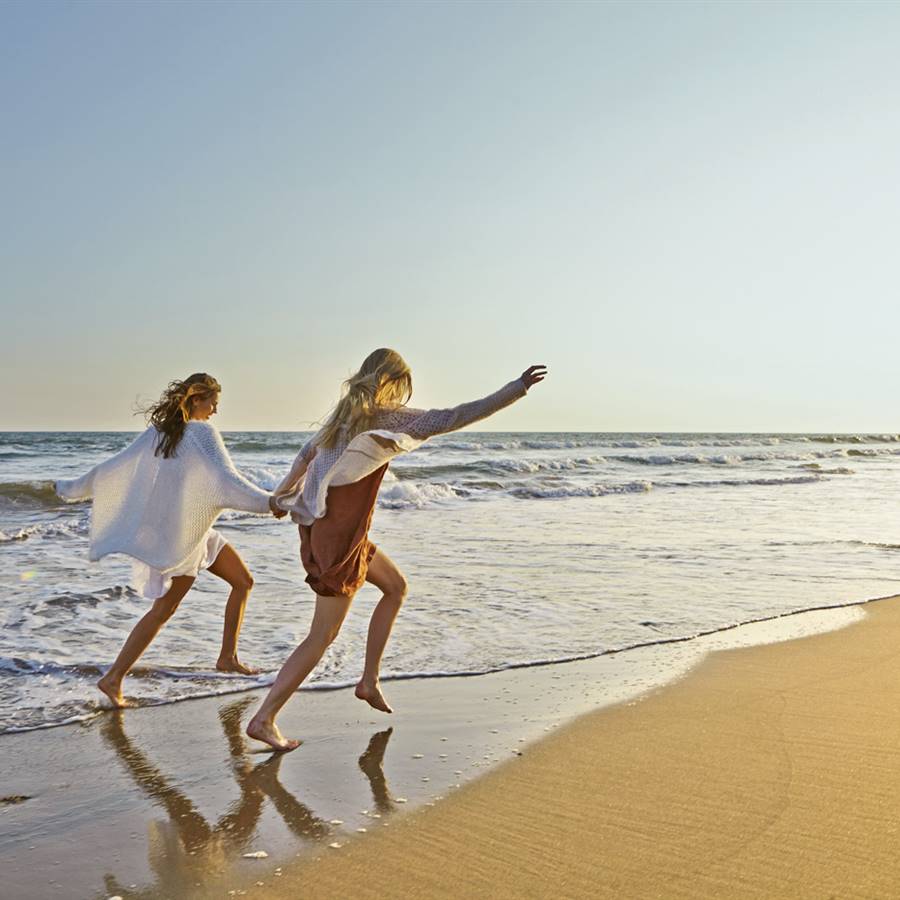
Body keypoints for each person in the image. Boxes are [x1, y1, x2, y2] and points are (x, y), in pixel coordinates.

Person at [246, 350, 547, 750]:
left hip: (336, 531)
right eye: (401, 386)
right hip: (340, 538)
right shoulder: (385, 417)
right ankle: (264, 718)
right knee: (322, 635)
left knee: (395, 586)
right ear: (390, 380)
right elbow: (454, 416)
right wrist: (516, 389)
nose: (402, 396)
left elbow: (305, 456)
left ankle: (368, 681)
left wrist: (281, 495)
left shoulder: (343, 417)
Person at [55, 373, 286, 708]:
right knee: (165, 608)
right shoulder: (202, 433)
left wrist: (70, 488)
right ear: (196, 400)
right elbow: (226, 480)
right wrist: (268, 503)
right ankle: (113, 677)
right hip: (183, 535)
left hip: (191, 529)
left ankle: (227, 658)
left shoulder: (159, 433)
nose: (214, 411)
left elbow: (113, 467)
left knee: (242, 581)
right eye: (212, 403)